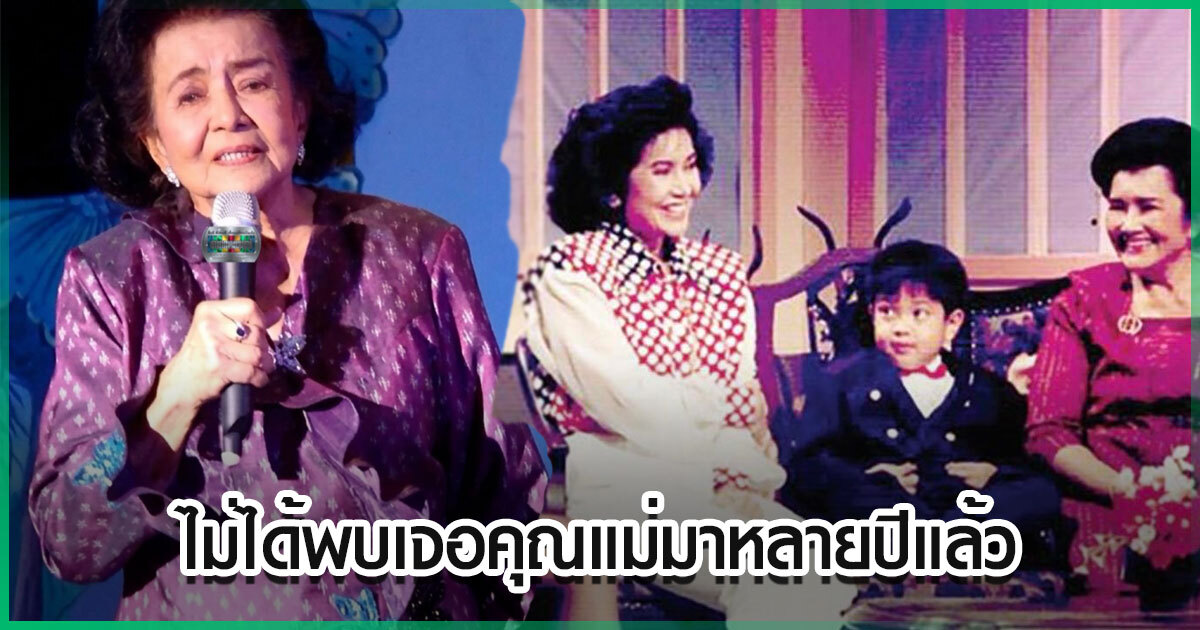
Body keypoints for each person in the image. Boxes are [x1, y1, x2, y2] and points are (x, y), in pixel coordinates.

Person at [29, 0, 544, 620]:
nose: (228, 116)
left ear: (299, 110)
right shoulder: (115, 277)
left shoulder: (417, 251)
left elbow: (506, 495)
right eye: (190, 96)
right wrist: (175, 398)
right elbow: (69, 541)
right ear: (154, 142)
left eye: (253, 83)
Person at [520, 75, 852, 623]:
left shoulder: (718, 272)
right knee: (779, 589)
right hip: (626, 494)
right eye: (662, 170)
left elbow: (746, 407)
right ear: (613, 186)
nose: (686, 187)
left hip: (726, 487)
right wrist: (716, 422)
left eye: (691, 166)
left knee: (823, 578)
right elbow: (639, 413)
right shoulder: (569, 276)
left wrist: (741, 467)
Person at [785, 241, 1059, 546]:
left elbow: (1027, 463)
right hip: (884, 521)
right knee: (847, 493)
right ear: (871, 313)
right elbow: (806, 467)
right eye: (887, 312)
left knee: (1037, 494)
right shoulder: (840, 383)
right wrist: (868, 477)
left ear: (951, 324)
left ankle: (946, 540)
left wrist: (994, 475)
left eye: (919, 313)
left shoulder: (987, 390)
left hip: (969, 519)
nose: (901, 328)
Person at [1026, 117, 1197, 599]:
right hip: (1106, 506)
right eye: (1117, 207)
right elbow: (1048, 432)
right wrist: (1129, 491)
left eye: (1148, 206)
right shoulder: (1084, 302)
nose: (1128, 224)